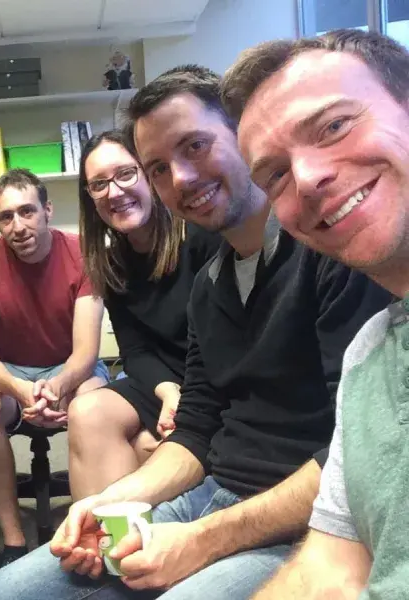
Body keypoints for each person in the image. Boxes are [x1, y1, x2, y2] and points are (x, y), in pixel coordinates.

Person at [0, 66, 393, 600]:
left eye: (195, 146)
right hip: (210, 494)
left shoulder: (332, 256)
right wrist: (111, 499)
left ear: (243, 135)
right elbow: (196, 429)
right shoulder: (210, 287)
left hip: (299, 524)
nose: (182, 178)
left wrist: (201, 541)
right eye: (159, 168)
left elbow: (352, 459)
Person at [223, 28, 409, 599]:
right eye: (275, 174)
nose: (306, 179)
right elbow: (330, 569)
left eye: (333, 126)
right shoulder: (370, 356)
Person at [0, 168, 109, 583]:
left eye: (27, 211)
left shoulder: (84, 254)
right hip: (8, 373)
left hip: (69, 366)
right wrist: (25, 390)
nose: (18, 225)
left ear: (47, 210)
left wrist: (57, 386)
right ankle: (13, 543)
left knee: (96, 403)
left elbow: (86, 353)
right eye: (6, 216)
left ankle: (88, 536)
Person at [68, 129, 221, 499]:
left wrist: (186, 406)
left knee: (142, 447)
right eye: (99, 184)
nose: (114, 192)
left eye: (125, 174)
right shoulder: (111, 262)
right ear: (91, 199)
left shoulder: (201, 237)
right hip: (164, 384)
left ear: (151, 175)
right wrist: (168, 392)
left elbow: (224, 348)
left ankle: (137, 530)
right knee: (86, 412)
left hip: (214, 384)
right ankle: (102, 535)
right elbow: (136, 352)